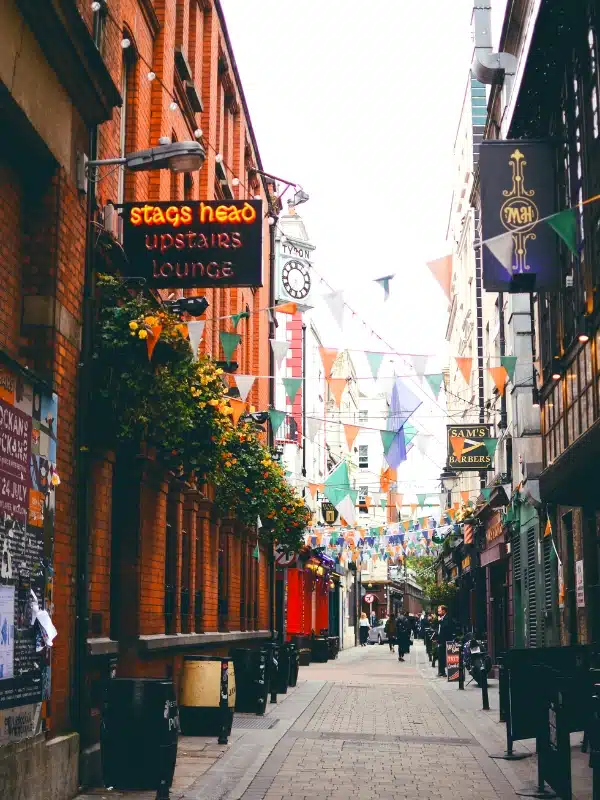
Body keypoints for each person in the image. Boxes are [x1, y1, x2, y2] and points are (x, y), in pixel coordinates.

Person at [435, 604, 453, 677]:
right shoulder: (441, 618)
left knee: (443, 656)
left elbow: (446, 628)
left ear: (444, 611)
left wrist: (440, 621)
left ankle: (443, 672)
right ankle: (441, 672)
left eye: (439, 611)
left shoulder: (447, 618)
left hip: (445, 640)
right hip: (441, 640)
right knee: (440, 656)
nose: (438, 612)